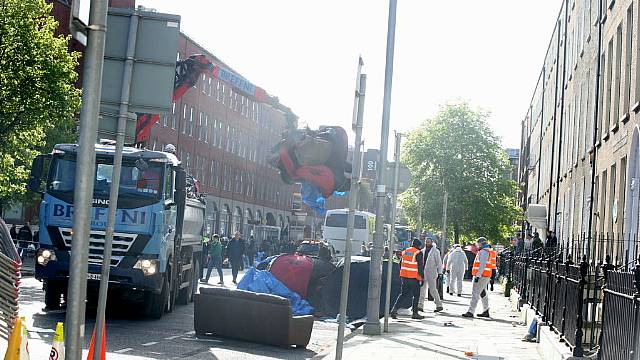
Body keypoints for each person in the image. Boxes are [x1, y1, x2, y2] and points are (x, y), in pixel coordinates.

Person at [390, 238, 425, 320]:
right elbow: (420, 268)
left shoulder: (405, 251)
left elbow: (400, 263)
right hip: (413, 277)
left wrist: (402, 272)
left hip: (404, 276)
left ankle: (394, 309)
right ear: (419, 245)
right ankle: (415, 313)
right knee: (416, 295)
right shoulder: (418, 253)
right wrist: (422, 278)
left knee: (403, 294)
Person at [463, 237, 497, 318]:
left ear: (481, 243)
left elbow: (482, 265)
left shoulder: (483, 252)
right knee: (483, 293)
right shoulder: (489, 251)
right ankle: (486, 310)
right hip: (485, 275)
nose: (477, 245)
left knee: (475, 293)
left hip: (481, 275)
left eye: (477, 244)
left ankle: (471, 311)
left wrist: (478, 275)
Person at [418, 237, 444, 313]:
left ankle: (439, 305)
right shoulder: (422, 251)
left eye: (428, 242)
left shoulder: (436, 251)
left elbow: (439, 263)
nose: (427, 243)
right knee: (422, 289)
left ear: (431, 242)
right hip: (423, 273)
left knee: (433, 290)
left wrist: (440, 273)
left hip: (432, 273)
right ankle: (420, 306)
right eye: (426, 241)